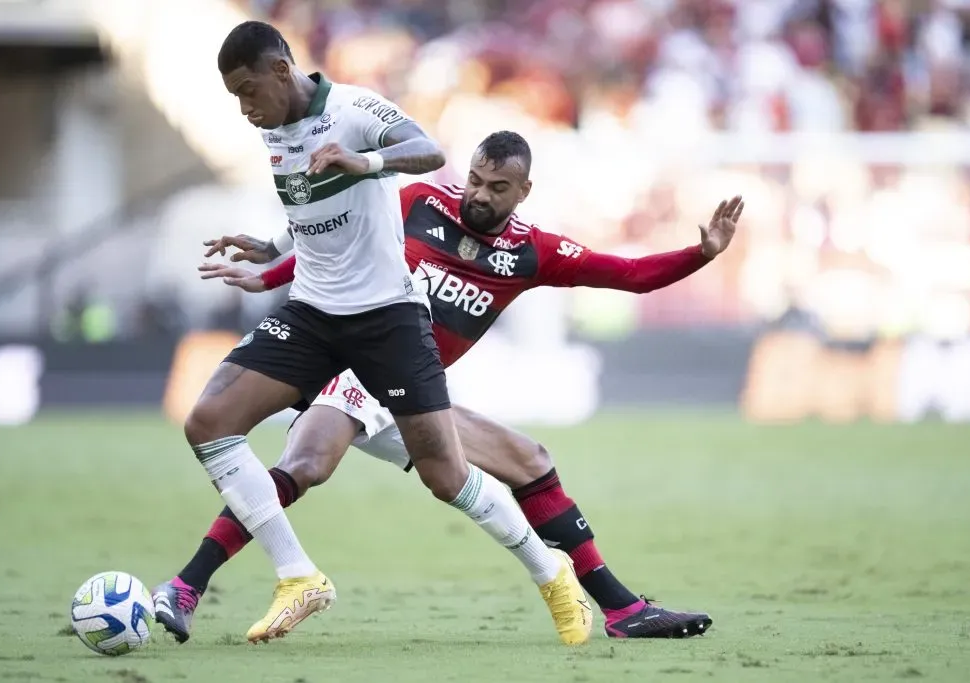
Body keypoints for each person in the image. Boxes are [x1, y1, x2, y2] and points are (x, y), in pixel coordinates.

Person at [155, 130, 743, 641]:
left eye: (497, 188)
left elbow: (631, 276)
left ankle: (620, 608)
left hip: (417, 397)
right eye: (476, 180)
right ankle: (188, 584)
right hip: (357, 366)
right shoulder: (416, 202)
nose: (481, 195)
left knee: (532, 462)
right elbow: (332, 251)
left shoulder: (532, 253)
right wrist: (268, 274)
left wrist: (700, 253)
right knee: (306, 463)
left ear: (524, 192)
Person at [180, 22, 593, 645]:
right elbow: (313, 214)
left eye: (247, 90)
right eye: (234, 97)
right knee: (209, 422)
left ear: (282, 71)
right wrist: (269, 249)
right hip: (313, 314)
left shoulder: (352, 108)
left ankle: (551, 570)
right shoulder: (276, 132)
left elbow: (427, 150)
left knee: (444, 474)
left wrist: (366, 159)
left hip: (387, 320)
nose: (244, 108)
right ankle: (298, 576)